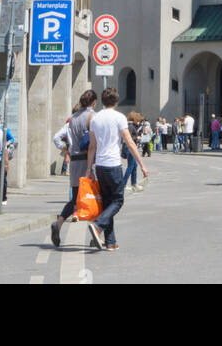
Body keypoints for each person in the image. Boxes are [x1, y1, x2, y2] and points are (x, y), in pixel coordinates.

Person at [86, 86, 149, 252]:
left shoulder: (95, 118)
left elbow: (92, 146)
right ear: (116, 101)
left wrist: (89, 169)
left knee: (108, 202)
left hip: (99, 165)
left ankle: (110, 241)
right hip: (113, 164)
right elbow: (129, 142)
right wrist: (141, 163)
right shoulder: (119, 117)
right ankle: (98, 226)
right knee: (118, 200)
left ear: (102, 100)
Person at [50, 90, 97, 247]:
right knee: (95, 196)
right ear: (94, 102)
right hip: (87, 161)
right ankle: (96, 232)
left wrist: (65, 150)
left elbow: (61, 137)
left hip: (75, 161)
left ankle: (59, 222)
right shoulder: (92, 117)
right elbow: (93, 142)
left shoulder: (73, 118)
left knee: (76, 197)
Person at [123, 112, 141, 191]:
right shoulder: (130, 126)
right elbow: (128, 137)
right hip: (129, 148)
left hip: (130, 147)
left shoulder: (131, 125)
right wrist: (137, 138)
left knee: (134, 165)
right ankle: (124, 184)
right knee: (131, 166)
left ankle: (134, 183)